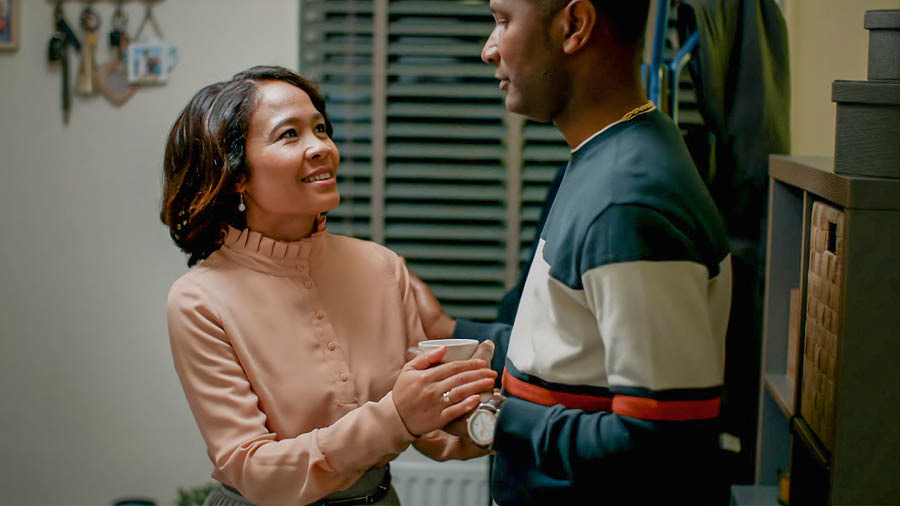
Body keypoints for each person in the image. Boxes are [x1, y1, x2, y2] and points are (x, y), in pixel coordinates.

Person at [411, 1, 733, 504]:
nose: (487, 50)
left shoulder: (627, 199)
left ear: (574, 26)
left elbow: (662, 443)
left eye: (502, 20)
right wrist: (450, 331)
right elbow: (578, 351)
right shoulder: (604, 156)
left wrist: (490, 416)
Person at [160, 65, 497, 506]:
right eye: (289, 134)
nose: (321, 147)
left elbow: (432, 433)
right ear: (236, 174)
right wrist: (395, 416)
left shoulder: (381, 266)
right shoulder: (199, 300)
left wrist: (485, 413)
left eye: (321, 128)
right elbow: (254, 469)